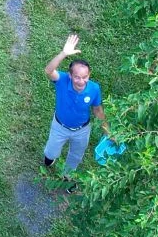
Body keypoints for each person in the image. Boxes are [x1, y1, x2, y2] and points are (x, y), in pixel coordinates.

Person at [43, 33, 110, 174]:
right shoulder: (62, 80)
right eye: (77, 77)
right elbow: (48, 71)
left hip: (82, 130)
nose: (81, 81)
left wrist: (108, 131)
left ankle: (67, 176)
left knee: (75, 157)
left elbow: (97, 110)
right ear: (70, 75)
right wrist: (64, 53)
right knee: (50, 153)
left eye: (85, 77)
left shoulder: (94, 88)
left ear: (89, 75)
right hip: (60, 126)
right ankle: (50, 159)